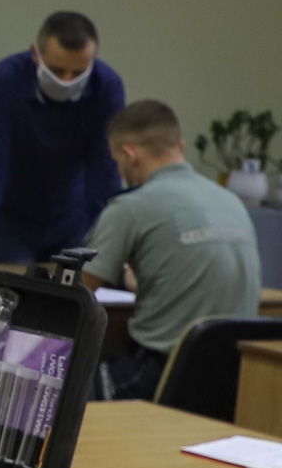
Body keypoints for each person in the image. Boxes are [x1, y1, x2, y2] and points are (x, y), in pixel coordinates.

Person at [84, 100, 261, 400]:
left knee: (64, 386)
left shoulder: (131, 207)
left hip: (164, 373)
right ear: (179, 146)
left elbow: (78, 293)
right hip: (234, 377)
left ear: (129, 155)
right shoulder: (231, 201)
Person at [0, 12, 125, 264]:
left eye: (78, 72)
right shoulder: (4, 81)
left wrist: (113, 248)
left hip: (72, 219)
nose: (67, 80)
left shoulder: (106, 86)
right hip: (7, 222)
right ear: (35, 54)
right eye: (57, 70)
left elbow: (104, 170)